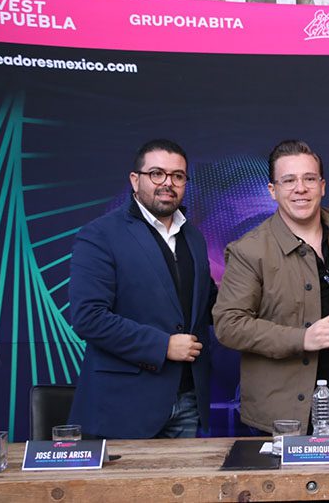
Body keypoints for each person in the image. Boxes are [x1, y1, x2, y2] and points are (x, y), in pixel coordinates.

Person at [212, 140, 329, 435]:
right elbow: (229, 325)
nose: (300, 189)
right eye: (289, 180)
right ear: (273, 190)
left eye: (309, 179)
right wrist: (301, 338)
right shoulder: (249, 250)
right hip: (285, 416)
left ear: (322, 186)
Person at [68, 139, 217, 438]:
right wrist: (162, 346)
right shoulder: (99, 235)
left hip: (188, 400)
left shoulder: (194, 238)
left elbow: (208, 305)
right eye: (157, 174)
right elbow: (88, 317)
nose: (168, 183)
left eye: (177, 176)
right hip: (123, 406)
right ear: (135, 180)